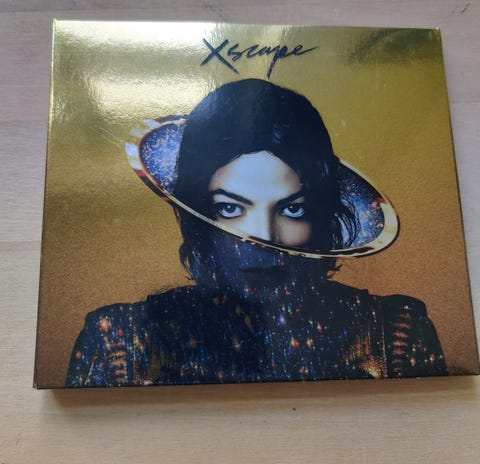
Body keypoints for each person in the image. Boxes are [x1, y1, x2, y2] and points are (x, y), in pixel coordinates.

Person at [66, 79, 446, 387]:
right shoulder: (121, 340)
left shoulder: (392, 333)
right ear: (198, 216)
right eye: (231, 208)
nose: (264, 238)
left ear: (321, 215)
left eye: (292, 209)